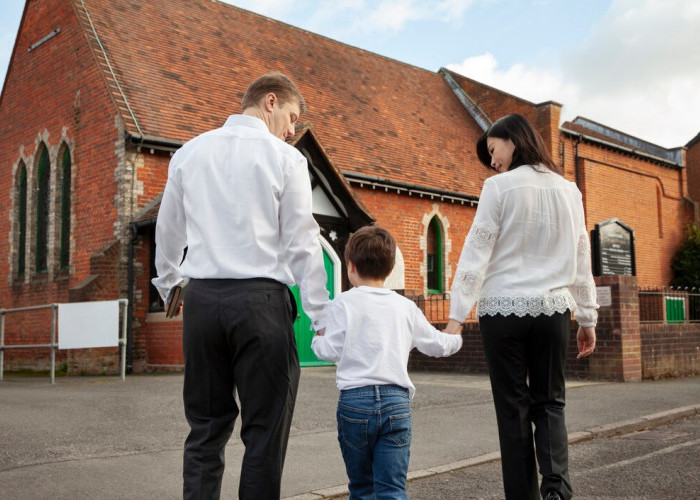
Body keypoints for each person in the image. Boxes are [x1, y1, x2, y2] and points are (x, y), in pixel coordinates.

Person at [152, 72, 330, 500]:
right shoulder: (287, 160)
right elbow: (303, 242)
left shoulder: (189, 154)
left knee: (205, 429)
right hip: (260, 304)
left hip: (202, 305)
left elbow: (168, 229)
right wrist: (322, 314)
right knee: (265, 433)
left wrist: (169, 282)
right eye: (291, 117)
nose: (293, 130)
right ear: (270, 102)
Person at [444, 114, 598, 500]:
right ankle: (557, 491)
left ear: (513, 140)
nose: (492, 161)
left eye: (493, 151)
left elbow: (476, 251)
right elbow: (582, 257)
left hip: (502, 312)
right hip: (554, 311)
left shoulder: (498, 188)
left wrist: (456, 316)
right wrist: (588, 317)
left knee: (513, 409)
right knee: (551, 403)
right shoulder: (571, 192)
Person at [311, 225, 463, 500]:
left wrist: (317, 337)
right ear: (391, 269)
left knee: (362, 488)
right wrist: (455, 336)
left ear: (351, 267)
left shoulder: (342, 304)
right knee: (392, 489)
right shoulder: (405, 307)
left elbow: (328, 351)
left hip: (354, 403)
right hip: (396, 402)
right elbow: (436, 344)